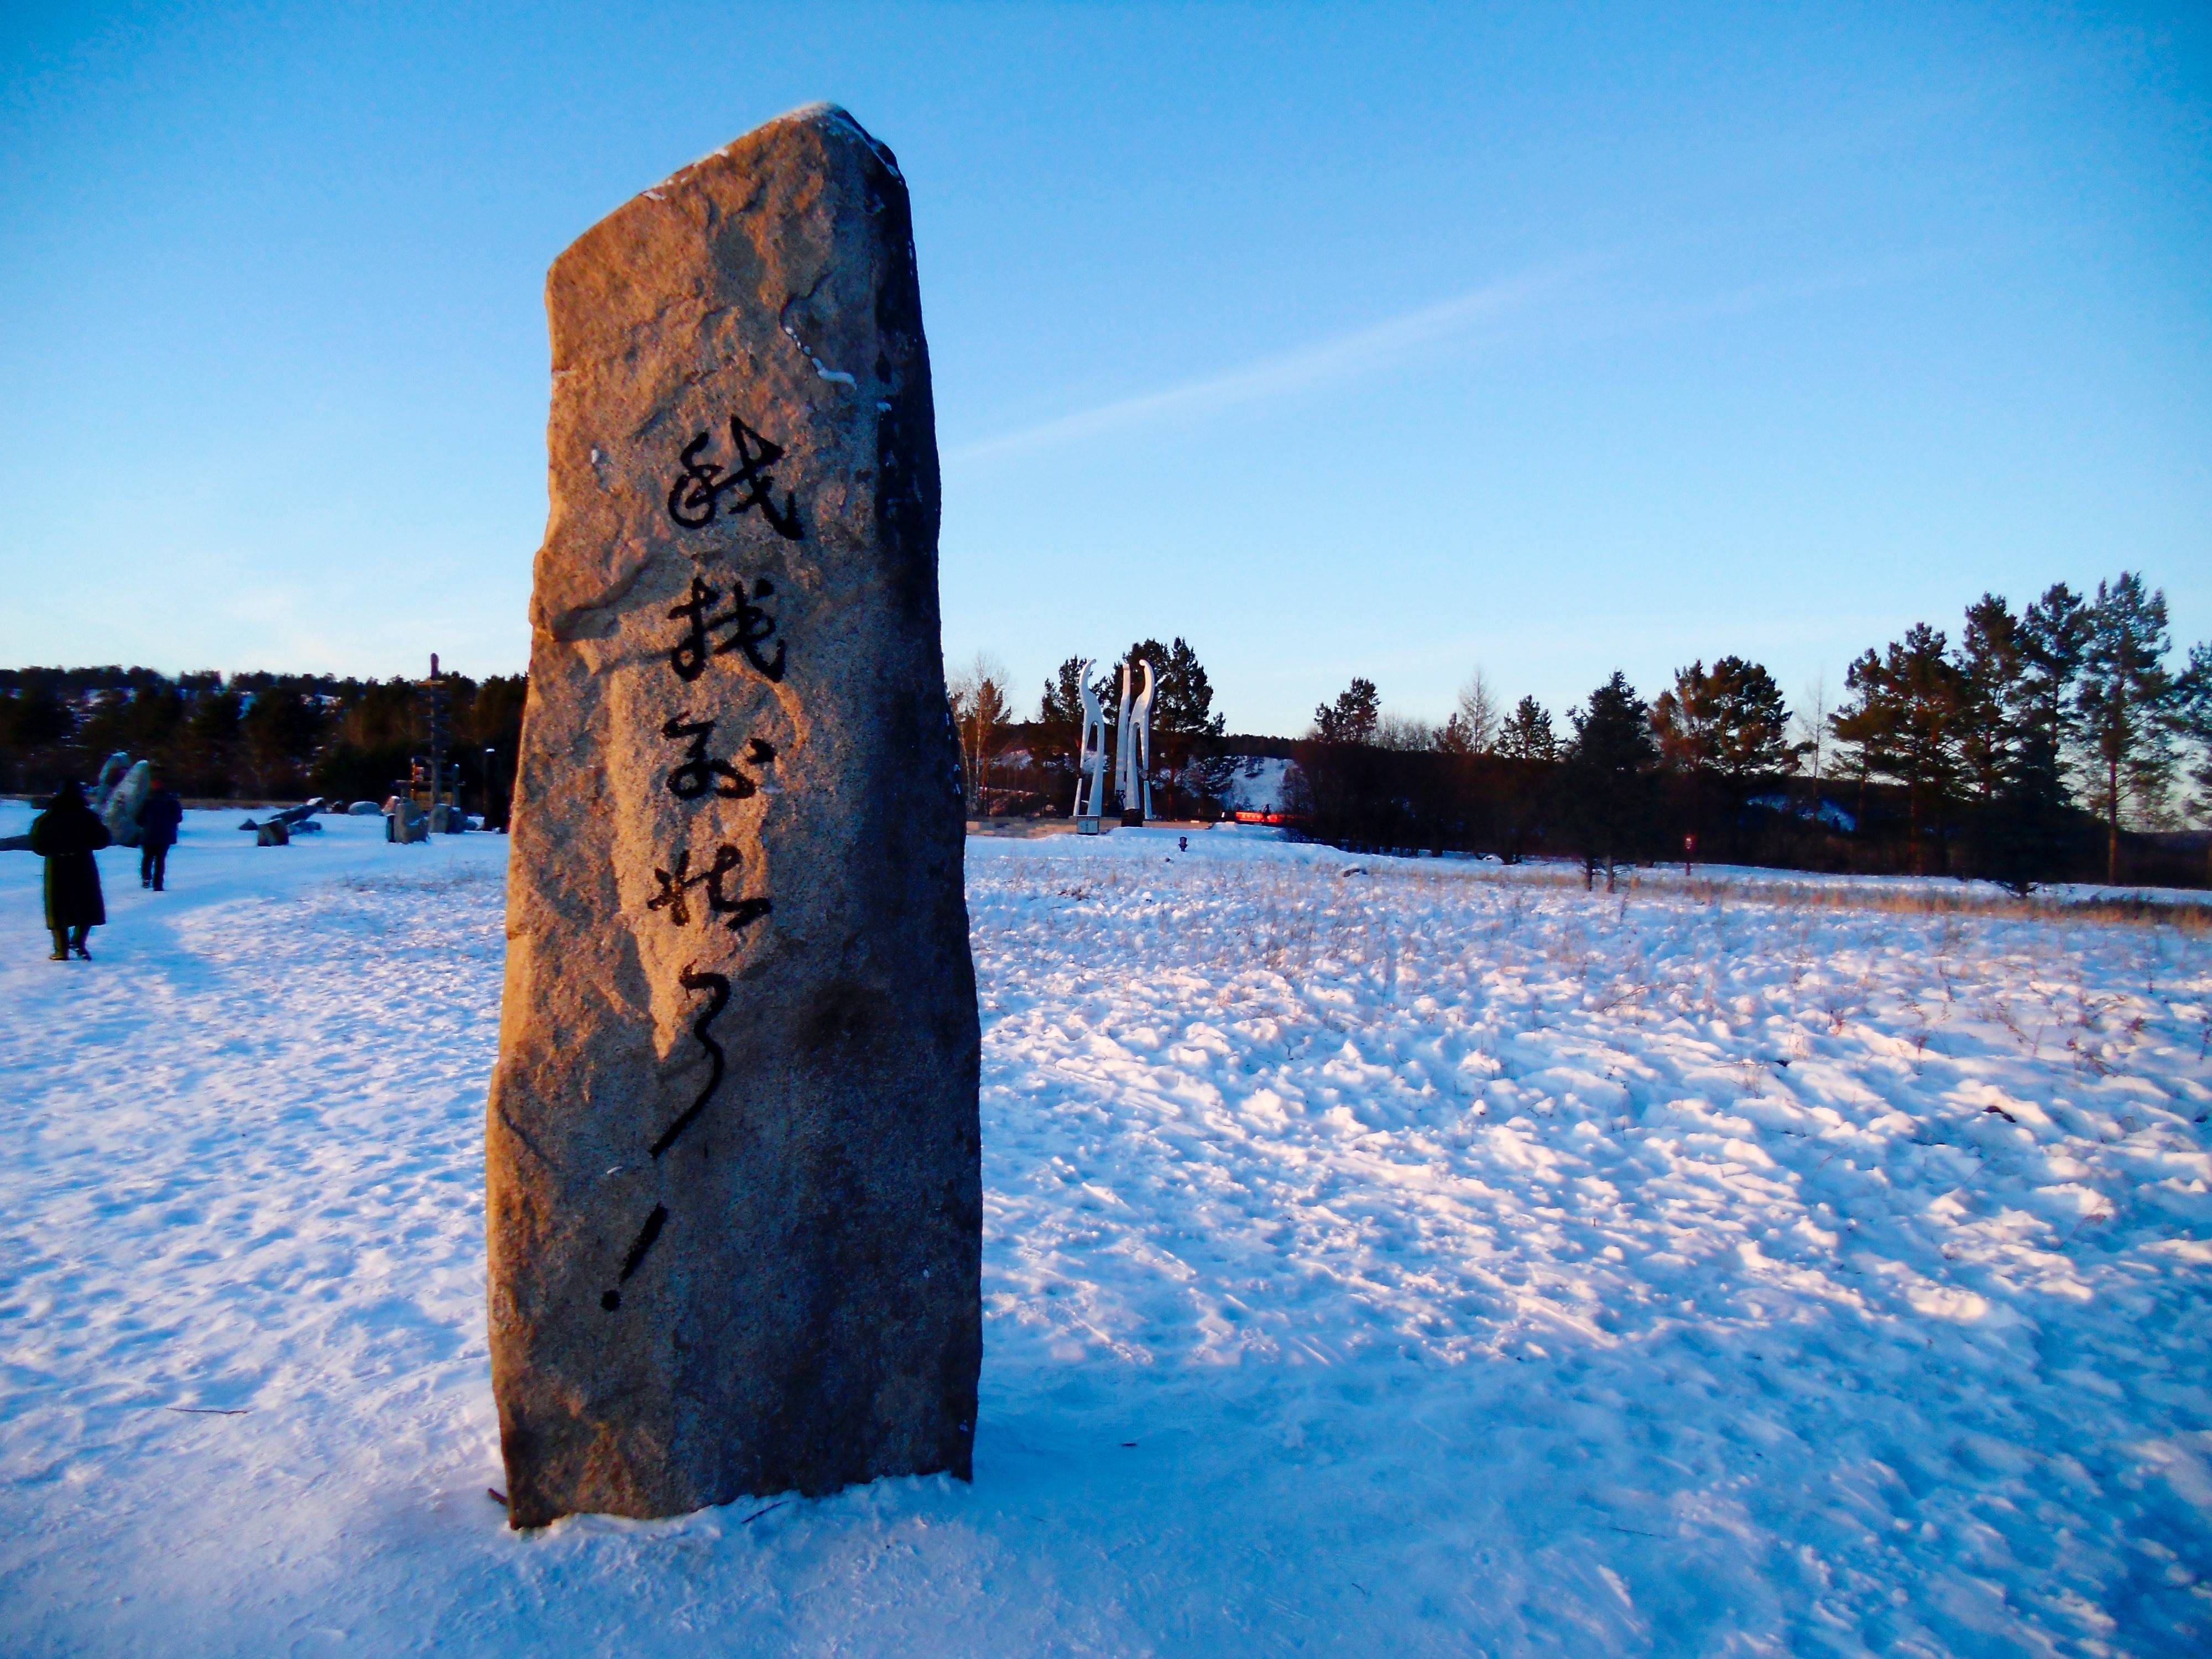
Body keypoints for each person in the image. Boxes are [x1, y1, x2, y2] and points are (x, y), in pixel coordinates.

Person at [28, 781, 110, 961]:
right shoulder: (88, 817)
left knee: (58, 907)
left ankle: (61, 950)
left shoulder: (47, 819)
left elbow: (37, 845)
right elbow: (103, 840)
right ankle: (79, 943)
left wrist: (54, 849)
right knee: (87, 905)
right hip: (82, 864)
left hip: (57, 866)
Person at [136, 771, 184, 890]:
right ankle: (158, 885)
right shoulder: (172, 801)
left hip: (148, 835)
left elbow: (139, 819)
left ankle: (146, 879)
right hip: (165, 835)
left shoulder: (146, 801)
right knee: (160, 860)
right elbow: (178, 818)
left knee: (147, 857)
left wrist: (146, 825)